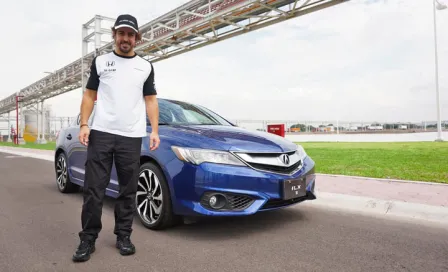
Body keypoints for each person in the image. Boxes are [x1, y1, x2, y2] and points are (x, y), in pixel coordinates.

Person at [72, 14, 160, 262]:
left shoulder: (145, 66)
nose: (125, 38)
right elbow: (89, 95)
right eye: (121, 33)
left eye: (130, 34)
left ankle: (123, 235)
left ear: (136, 38)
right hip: (101, 133)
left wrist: (154, 130)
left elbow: (151, 100)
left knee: (128, 190)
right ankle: (87, 239)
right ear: (114, 35)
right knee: (93, 189)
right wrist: (84, 123)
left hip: (130, 136)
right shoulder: (100, 62)